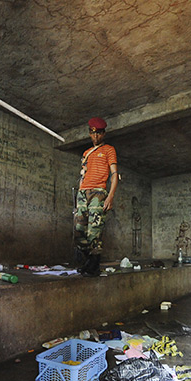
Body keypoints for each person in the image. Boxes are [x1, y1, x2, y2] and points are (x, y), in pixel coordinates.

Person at [74, 117, 118, 277]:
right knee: (79, 230)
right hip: (83, 193)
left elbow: (114, 174)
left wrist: (110, 196)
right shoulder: (86, 153)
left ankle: (93, 265)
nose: (96, 137)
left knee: (94, 231)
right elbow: (83, 175)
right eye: (93, 134)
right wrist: (79, 194)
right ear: (89, 134)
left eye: (99, 134)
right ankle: (89, 263)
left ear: (103, 134)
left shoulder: (109, 150)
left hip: (98, 192)